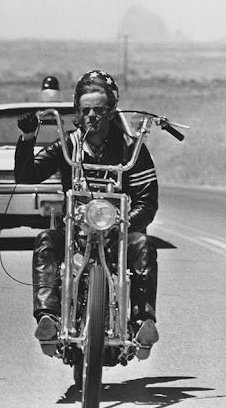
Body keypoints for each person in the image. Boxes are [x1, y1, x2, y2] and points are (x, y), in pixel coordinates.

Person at [14, 70, 160, 359]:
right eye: (87, 110)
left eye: (100, 110)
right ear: (77, 114)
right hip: (75, 234)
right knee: (45, 240)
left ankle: (143, 321)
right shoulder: (68, 146)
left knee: (143, 245)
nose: (93, 116)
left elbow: (148, 200)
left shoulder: (131, 150)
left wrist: (125, 224)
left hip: (117, 231)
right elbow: (26, 174)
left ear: (112, 111)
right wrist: (28, 137)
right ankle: (50, 319)